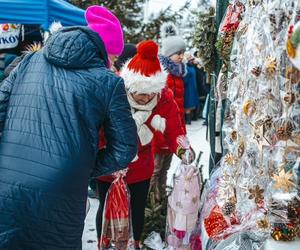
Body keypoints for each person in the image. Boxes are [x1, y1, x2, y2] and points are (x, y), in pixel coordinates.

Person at [0, 5, 137, 250]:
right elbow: (125, 149)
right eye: (114, 57)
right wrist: (81, 166)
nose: (115, 63)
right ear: (104, 50)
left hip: (9, 181)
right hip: (63, 188)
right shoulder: (108, 82)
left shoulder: (29, 60)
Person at [96, 40, 194, 250]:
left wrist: (183, 149)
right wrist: (105, 153)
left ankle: (135, 244)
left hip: (141, 166)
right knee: (105, 208)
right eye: (142, 93)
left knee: (137, 208)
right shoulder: (114, 92)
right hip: (110, 165)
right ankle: (103, 244)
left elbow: (175, 130)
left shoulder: (163, 97)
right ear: (131, 86)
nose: (147, 98)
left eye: (151, 93)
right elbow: (99, 129)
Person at [150, 22, 187, 202]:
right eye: (178, 53)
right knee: (154, 170)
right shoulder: (160, 74)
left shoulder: (179, 76)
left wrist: (181, 134)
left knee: (165, 168)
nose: (181, 56)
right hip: (158, 131)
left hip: (173, 129)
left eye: (182, 53)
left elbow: (178, 108)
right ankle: (149, 205)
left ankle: (161, 200)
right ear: (168, 54)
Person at [183, 51, 200, 124]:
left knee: (189, 105)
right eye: (189, 57)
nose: (191, 59)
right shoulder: (187, 67)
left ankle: (188, 120)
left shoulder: (191, 66)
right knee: (188, 105)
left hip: (191, 88)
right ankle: (188, 120)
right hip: (189, 88)